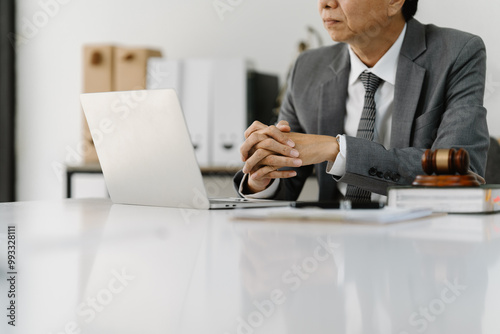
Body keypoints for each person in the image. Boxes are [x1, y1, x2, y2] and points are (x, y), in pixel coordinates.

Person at [234, 0, 489, 201]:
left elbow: (460, 174)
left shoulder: (457, 53)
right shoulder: (307, 68)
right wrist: (262, 177)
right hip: (331, 252)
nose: (325, 3)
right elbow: (286, 180)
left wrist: (339, 150)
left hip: (418, 248)